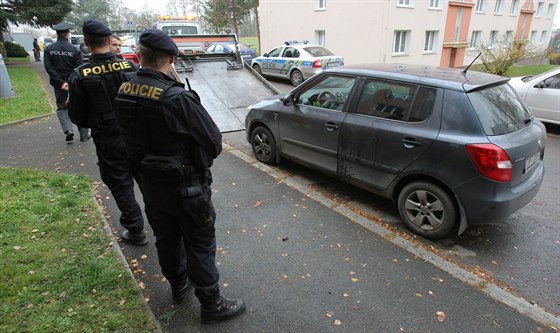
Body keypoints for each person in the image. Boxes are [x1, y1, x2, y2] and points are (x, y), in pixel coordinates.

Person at [114, 29, 245, 324]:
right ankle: (211, 304)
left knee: (167, 238)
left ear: (139, 56)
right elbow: (213, 141)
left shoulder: (123, 91)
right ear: (171, 58)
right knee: (199, 243)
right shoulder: (177, 98)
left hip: (151, 185)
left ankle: (178, 286)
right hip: (188, 188)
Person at [67, 20, 147, 246]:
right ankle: (162, 227)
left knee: (121, 185)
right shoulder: (130, 68)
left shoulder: (80, 75)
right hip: (137, 138)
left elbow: (77, 117)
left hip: (108, 139)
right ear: (110, 40)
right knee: (147, 182)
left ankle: (136, 230)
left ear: (86, 42)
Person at [43, 22, 90, 142]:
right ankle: (84, 135)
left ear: (57, 34)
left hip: (58, 85)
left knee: (61, 106)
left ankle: (68, 130)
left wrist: (61, 83)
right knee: (80, 106)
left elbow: (49, 68)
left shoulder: (49, 49)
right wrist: (70, 82)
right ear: (68, 34)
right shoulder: (74, 49)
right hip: (74, 83)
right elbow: (78, 67)